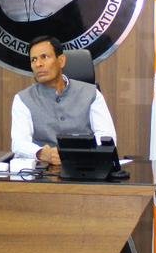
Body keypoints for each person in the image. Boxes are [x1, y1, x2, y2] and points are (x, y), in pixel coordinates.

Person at [11, 36, 116, 165]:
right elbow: (19, 143)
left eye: (44, 57)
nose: (38, 64)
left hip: (85, 168)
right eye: (34, 59)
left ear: (61, 61)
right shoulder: (23, 99)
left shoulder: (92, 94)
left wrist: (78, 154)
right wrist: (41, 153)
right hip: (44, 171)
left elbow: (107, 137)